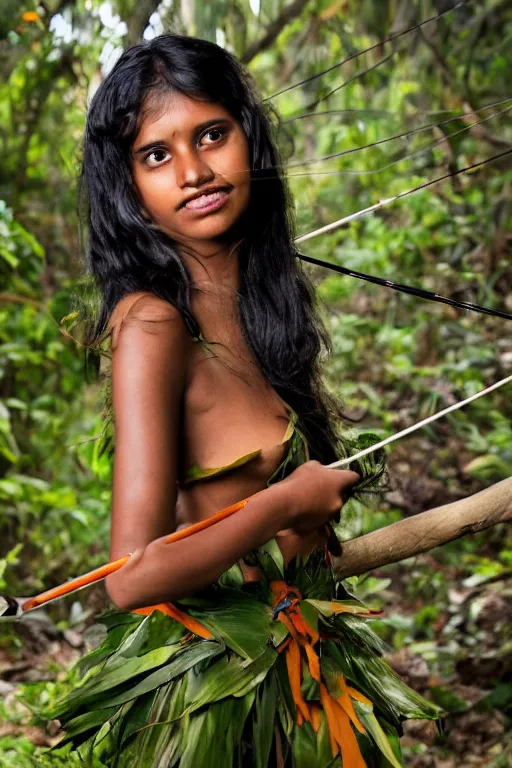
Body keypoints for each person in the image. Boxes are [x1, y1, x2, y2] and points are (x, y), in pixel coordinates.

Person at [42, 33, 441, 767]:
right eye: (156, 154)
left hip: (297, 666)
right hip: (217, 698)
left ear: (247, 136)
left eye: (212, 135)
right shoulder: (156, 323)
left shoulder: (257, 297)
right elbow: (131, 574)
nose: (194, 171)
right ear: (127, 184)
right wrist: (286, 504)